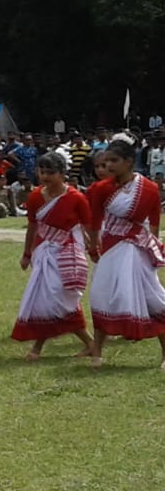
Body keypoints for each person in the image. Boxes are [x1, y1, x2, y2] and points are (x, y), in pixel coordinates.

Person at [84, 139, 165, 368]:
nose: (108, 165)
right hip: (109, 249)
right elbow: (94, 222)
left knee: (153, 298)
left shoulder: (149, 188)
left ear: (129, 162)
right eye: (106, 160)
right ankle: (97, 353)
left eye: (114, 160)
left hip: (137, 250)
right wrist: (93, 247)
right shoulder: (100, 189)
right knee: (102, 295)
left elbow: (154, 222)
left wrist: (154, 248)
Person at [11, 152, 95, 359]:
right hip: (44, 253)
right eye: (42, 172)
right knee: (46, 299)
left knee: (59, 297)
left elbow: (88, 227)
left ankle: (41, 348)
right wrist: (27, 253)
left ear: (63, 173)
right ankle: (86, 342)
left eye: (51, 172)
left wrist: (94, 249)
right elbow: (32, 226)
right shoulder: (35, 197)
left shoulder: (76, 198)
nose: (46, 177)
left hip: (67, 253)